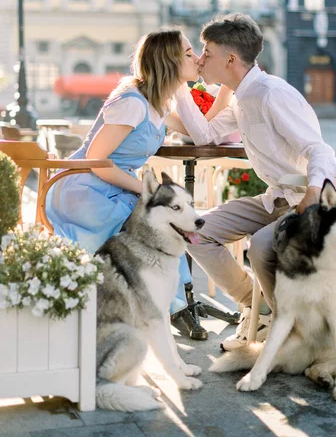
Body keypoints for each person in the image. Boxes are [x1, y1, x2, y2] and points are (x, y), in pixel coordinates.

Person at [168, 13, 336, 350]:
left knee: (260, 245)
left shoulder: (272, 94)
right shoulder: (241, 98)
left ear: (230, 59)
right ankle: (255, 308)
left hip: (302, 201)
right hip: (272, 200)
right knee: (195, 231)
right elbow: (204, 133)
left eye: (207, 52)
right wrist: (176, 89)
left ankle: (293, 329)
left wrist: (315, 192)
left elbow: (320, 149)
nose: (200, 60)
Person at [46, 27, 229, 314]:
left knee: (163, 221)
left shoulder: (160, 104)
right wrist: (146, 191)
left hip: (113, 187)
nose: (196, 59)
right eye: (189, 53)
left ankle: (151, 305)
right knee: (158, 223)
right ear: (169, 62)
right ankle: (142, 305)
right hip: (83, 188)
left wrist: (228, 84)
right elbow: (96, 159)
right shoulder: (133, 102)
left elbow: (203, 128)